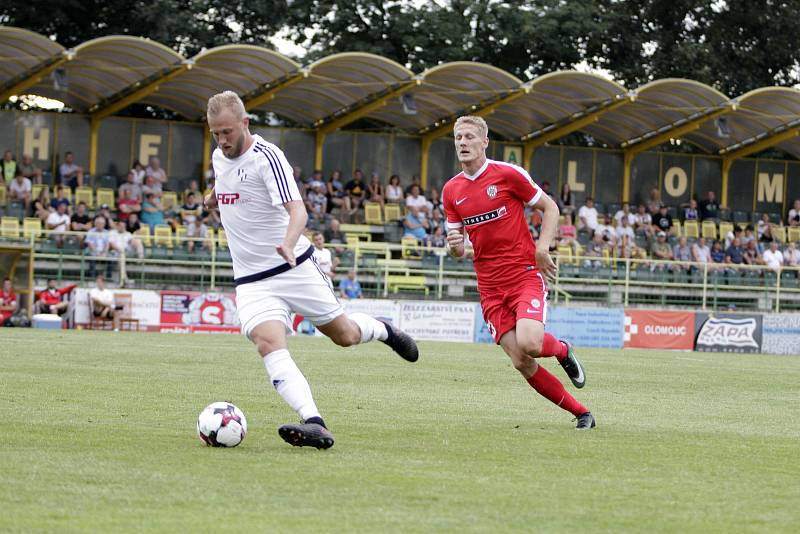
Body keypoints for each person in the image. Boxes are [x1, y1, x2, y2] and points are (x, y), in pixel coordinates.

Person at [204, 90, 418, 450]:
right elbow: (226, 181)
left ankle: (382, 329)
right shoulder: (218, 157)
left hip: (294, 266)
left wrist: (288, 242)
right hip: (252, 281)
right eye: (215, 134)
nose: (222, 141)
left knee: (345, 335)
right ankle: (314, 422)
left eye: (227, 132)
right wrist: (212, 197)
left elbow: (298, 211)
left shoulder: (268, 157)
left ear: (245, 123)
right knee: (267, 342)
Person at [443, 115, 593, 430]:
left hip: (523, 273)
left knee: (531, 343)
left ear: (484, 142)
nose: (463, 143)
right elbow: (457, 250)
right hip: (490, 287)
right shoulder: (451, 190)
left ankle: (562, 350)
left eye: (470, 137)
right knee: (521, 361)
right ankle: (583, 414)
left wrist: (542, 249)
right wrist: (453, 246)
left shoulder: (509, 175)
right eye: (458, 138)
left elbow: (550, 207)